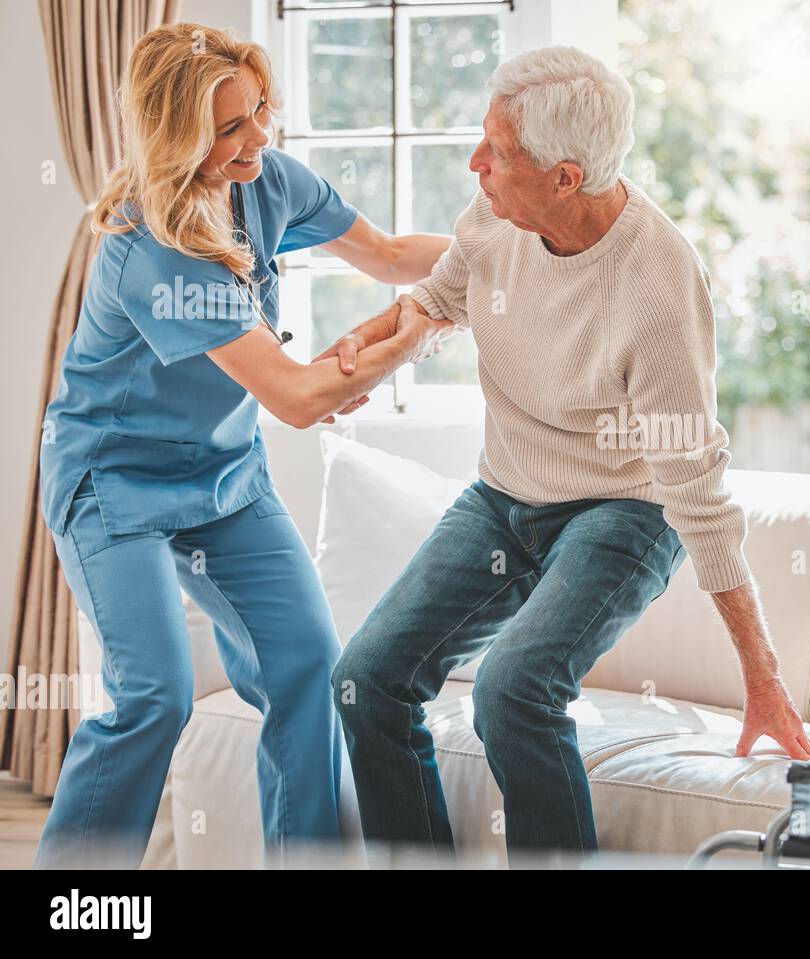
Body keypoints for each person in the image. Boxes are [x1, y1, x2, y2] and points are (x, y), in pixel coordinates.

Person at [330, 45, 810, 867]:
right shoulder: (496, 215)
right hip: (502, 498)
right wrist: (372, 358)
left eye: (500, 152)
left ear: (566, 176)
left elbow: (695, 491)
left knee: (513, 688)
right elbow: (436, 299)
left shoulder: (657, 285)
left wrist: (762, 675)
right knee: (368, 679)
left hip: (623, 510)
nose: (475, 163)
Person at [35, 22, 449, 869]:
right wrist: (416, 336)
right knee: (156, 692)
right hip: (114, 484)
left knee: (308, 668)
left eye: (259, 109)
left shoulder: (267, 180)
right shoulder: (153, 249)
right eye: (230, 127)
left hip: (224, 480)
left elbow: (392, 255)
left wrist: (509, 246)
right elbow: (297, 397)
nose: (258, 135)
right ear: (177, 138)